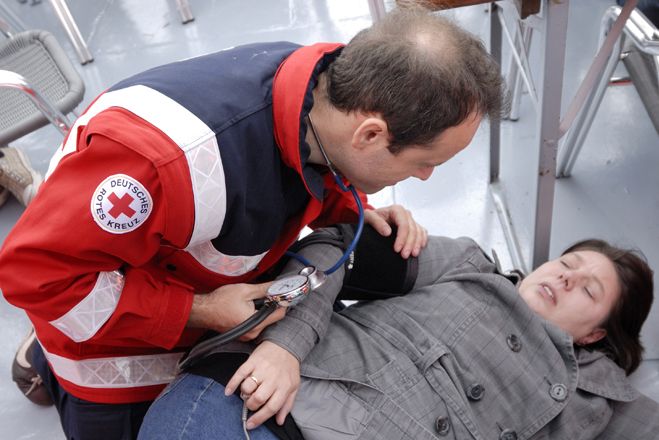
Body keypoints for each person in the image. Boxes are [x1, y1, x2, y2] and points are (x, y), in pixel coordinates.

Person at [0, 5, 505, 439]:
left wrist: (357, 211)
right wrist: (201, 309)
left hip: (159, 270)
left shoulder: (332, 87)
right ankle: (45, 360)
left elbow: (318, 173)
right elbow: (37, 277)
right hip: (109, 354)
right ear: (371, 136)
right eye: (424, 162)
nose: (423, 178)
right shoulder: (164, 166)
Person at [138, 225, 658, 440]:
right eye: (569, 262)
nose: (566, 277)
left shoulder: (596, 397)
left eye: (588, 291)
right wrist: (285, 347)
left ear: (594, 336)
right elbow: (339, 246)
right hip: (264, 406)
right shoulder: (471, 266)